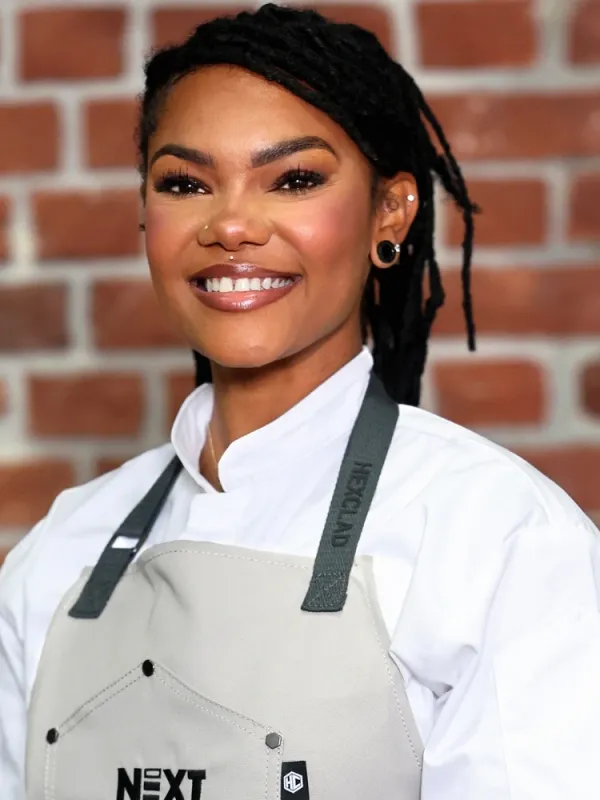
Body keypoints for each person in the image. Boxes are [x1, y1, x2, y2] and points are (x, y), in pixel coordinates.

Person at [1, 4, 599, 799]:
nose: (231, 225)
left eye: (294, 180)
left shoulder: (496, 540)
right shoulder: (60, 553)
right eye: (185, 183)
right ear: (146, 213)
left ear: (390, 211)